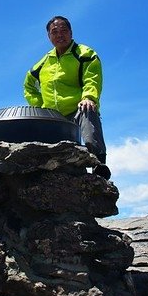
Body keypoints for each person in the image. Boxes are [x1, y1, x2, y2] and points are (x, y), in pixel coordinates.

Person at [23, 15, 111, 179]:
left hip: (77, 110)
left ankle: (98, 163)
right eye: (54, 32)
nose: (59, 35)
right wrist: (40, 106)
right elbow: (28, 85)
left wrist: (89, 97)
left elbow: (91, 78)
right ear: (49, 37)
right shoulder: (43, 63)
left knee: (88, 110)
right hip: (53, 117)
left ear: (71, 32)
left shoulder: (85, 54)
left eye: (64, 31)